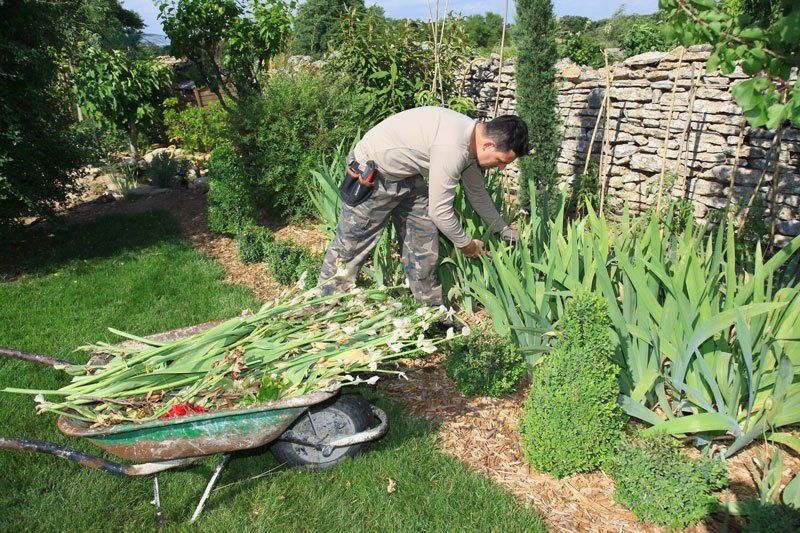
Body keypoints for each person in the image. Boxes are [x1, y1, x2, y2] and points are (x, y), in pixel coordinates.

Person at [317, 106, 528, 307]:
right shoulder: (454, 148)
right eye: (501, 161)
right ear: (489, 145)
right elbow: (440, 212)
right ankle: (324, 304)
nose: (501, 167)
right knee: (352, 245)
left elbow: (478, 194)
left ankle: (429, 309)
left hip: (407, 174)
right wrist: (466, 245)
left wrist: (504, 230)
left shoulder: (472, 142)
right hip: (375, 173)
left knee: (423, 240)